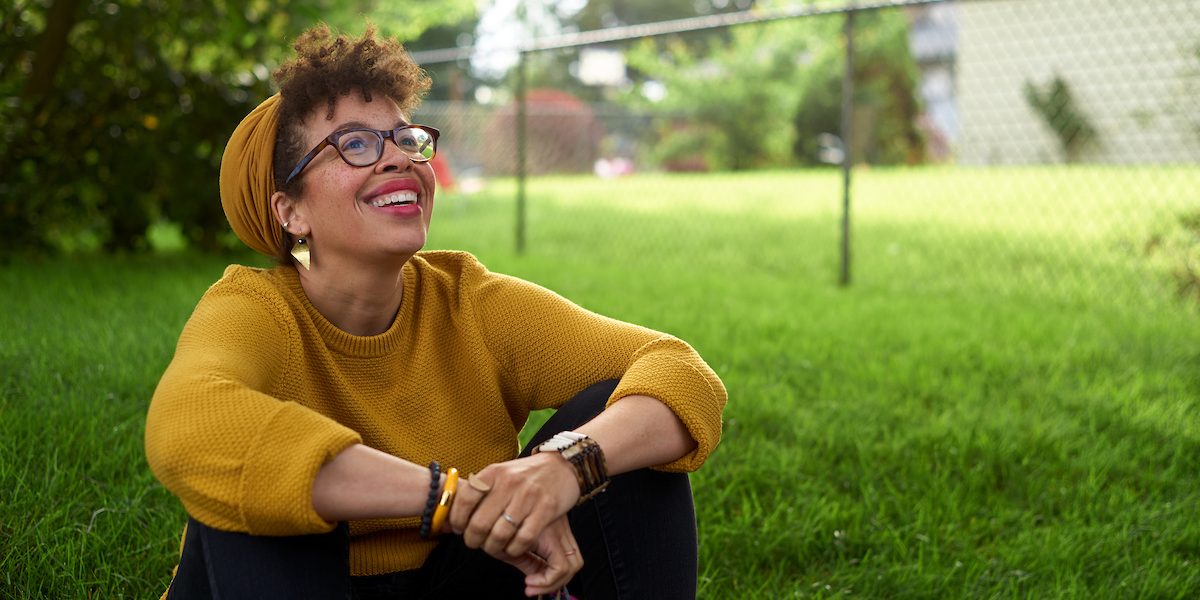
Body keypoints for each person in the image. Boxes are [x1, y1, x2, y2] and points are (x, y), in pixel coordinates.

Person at [144, 23, 726, 600]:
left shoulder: (468, 300)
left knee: (615, 425)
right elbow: (189, 425)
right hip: (302, 580)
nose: (398, 159)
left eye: (406, 139)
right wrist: (449, 498)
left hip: (458, 575)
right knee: (265, 490)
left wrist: (566, 469)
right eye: (354, 144)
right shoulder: (254, 309)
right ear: (290, 210)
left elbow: (676, 368)